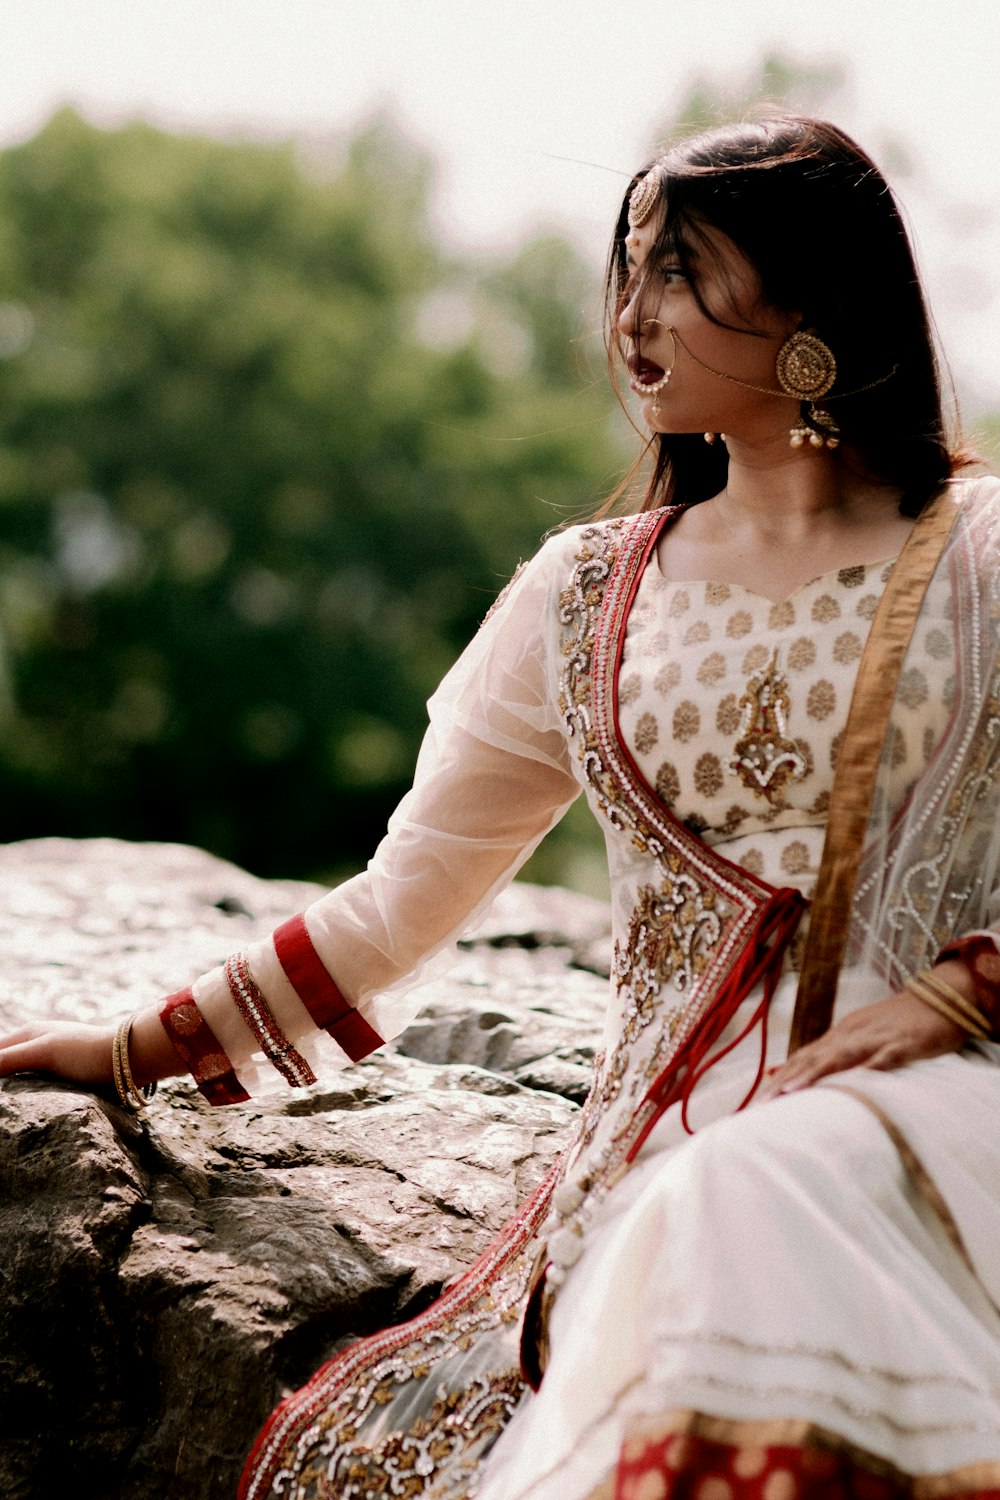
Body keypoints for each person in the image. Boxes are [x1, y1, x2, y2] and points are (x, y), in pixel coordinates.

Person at [3, 113, 1000, 1500]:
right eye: (629, 269)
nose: (630, 315)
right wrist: (132, 1048)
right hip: (656, 1162)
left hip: (941, 1116)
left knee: (758, 1194)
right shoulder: (588, 597)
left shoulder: (979, 557)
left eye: (682, 270)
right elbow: (398, 903)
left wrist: (945, 1004)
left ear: (815, 301)